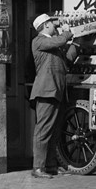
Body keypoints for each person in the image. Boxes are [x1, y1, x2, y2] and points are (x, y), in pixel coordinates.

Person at [29, 13, 79, 179]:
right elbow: (59, 40)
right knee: (43, 131)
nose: (55, 25)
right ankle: (38, 167)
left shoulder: (53, 45)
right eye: (52, 22)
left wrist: (78, 44)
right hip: (45, 92)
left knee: (55, 131)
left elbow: (67, 62)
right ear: (45, 25)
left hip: (56, 92)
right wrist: (68, 32)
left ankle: (51, 166)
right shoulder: (39, 41)